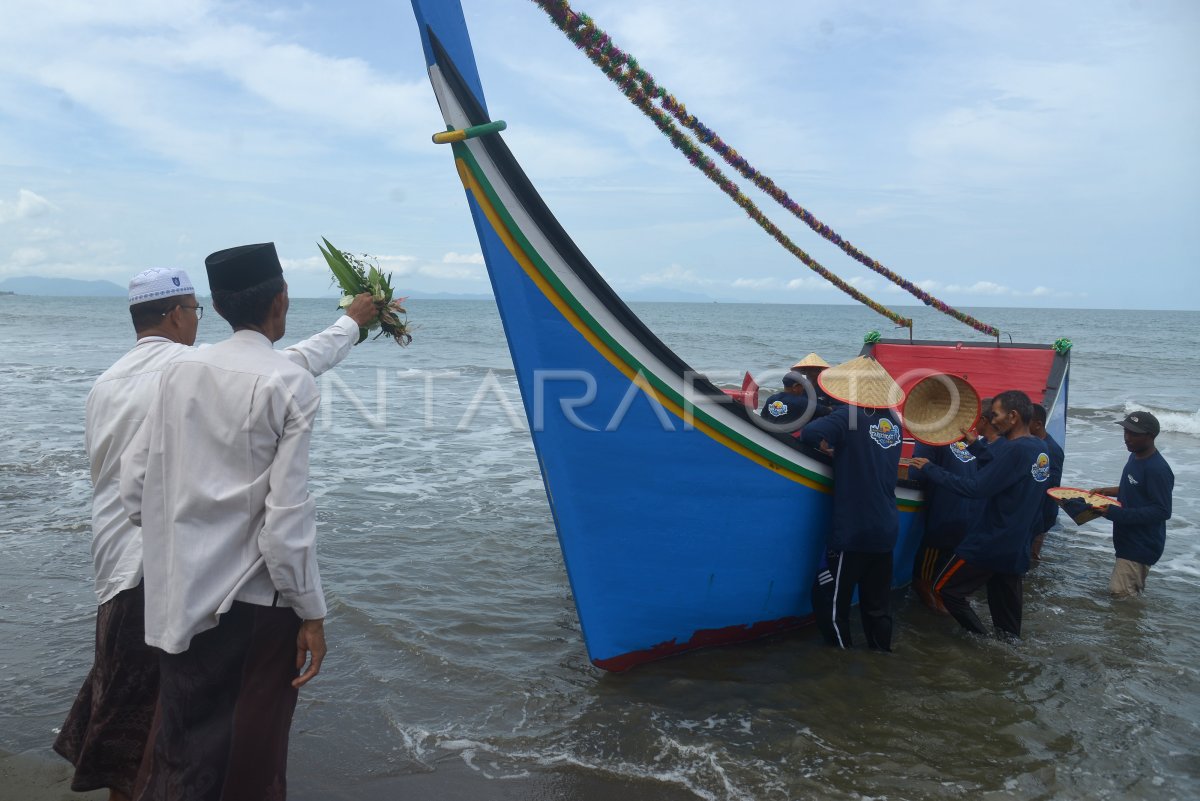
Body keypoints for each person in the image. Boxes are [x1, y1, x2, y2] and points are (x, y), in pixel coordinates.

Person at [52, 267, 376, 801]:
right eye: (193, 312)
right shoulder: (189, 368)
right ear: (180, 315)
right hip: (179, 577)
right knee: (194, 741)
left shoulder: (103, 383)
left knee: (132, 733)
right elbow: (283, 369)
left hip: (115, 574)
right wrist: (349, 325)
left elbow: (125, 486)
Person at [908, 390, 1051, 639]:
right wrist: (975, 446)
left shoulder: (1013, 449)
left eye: (996, 415)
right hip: (1016, 544)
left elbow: (975, 488)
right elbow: (1004, 470)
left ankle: (980, 640)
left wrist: (931, 469)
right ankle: (1005, 656)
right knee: (1007, 621)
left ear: (1013, 416)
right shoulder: (1039, 447)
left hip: (991, 541)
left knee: (945, 590)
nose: (992, 420)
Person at [801, 356, 903, 651]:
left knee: (829, 600)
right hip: (886, 528)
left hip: (855, 529)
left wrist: (828, 447)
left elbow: (810, 433)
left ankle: (840, 662)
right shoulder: (894, 423)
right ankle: (881, 658)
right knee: (877, 606)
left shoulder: (850, 415)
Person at [1087, 411, 1174, 597]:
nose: (1127, 438)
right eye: (1125, 431)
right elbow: (1135, 486)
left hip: (1141, 544)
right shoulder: (1135, 456)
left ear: (1150, 436)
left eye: (1134, 434)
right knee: (1125, 596)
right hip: (1127, 540)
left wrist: (1113, 513)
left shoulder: (1157, 469)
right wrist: (1107, 491)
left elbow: (1162, 510)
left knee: (1121, 596)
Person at [908, 439, 985, 614]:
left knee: (923, 580)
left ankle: (936, 619)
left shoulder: (929, 440)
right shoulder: (970, 442)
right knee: (946, 580)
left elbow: (916, 474)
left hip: (942, 521)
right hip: (968, 521)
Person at [1028, 403, 1064, 562]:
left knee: (1032, 551)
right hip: (1035, 509)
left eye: (1024, 422)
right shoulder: (1033, 444)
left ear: (1038, 425)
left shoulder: (1051, 450)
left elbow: (1052, 484)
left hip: (1042, 511)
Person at [759, 370, 831, 433]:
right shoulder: (802, 402)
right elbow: (826, 411)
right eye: (802, 385)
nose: (803, 388)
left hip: (770, 434)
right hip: (787, 440)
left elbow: (763, 418)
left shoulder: (771, 399)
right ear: (795, 387)